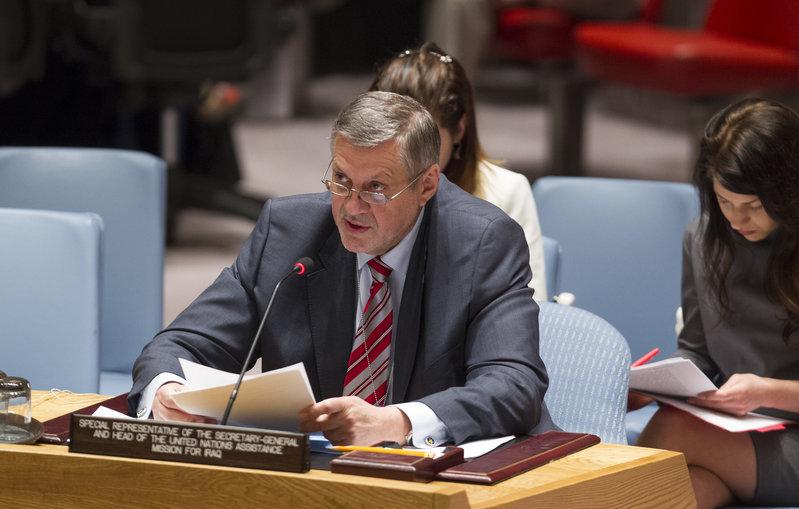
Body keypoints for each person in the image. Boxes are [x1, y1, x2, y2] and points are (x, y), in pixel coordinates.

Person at [128, 91, 554, 447]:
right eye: (341, 180)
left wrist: (398, 421)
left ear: (426, 184)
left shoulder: (481, 243)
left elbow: (513, 383)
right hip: (319, 479)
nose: (351, 207)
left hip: (445, 479)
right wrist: (167, 391)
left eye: (376, 188)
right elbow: (181, 344)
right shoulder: (288, 234)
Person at [633, 98, 799, 509]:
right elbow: (697, 352)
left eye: (754, 205)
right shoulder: (704, 238)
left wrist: (767, 391)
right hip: (741, 429)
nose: (737, 218)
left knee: (670, 434)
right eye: (725, 201)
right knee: (679, 497)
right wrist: (655, 385)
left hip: (789, 436)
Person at [370, 42, 549, 301]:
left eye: (424, 141)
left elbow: (530, 307)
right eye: (391, 137)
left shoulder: (507, 192)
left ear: (459, 130)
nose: (405, 157)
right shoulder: (356, 185)